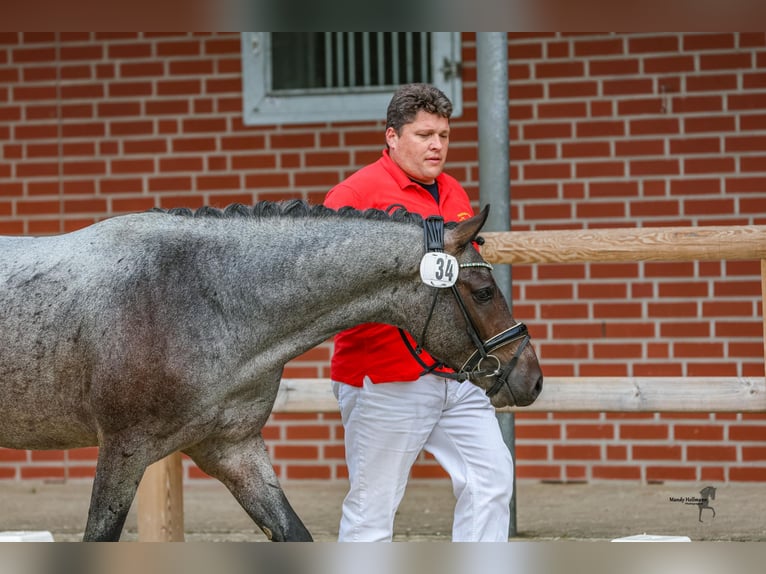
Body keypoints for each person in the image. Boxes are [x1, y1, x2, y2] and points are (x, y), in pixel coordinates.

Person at [323, 83, 513, 542]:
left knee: (492, 481)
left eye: (444, 135)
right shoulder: (353, 195)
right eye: (425, 134)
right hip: (385, 376)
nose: (437, 146)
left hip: (456, 374)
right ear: (392, 137)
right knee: (373, 509)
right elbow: (331, 292)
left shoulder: (453, 193)